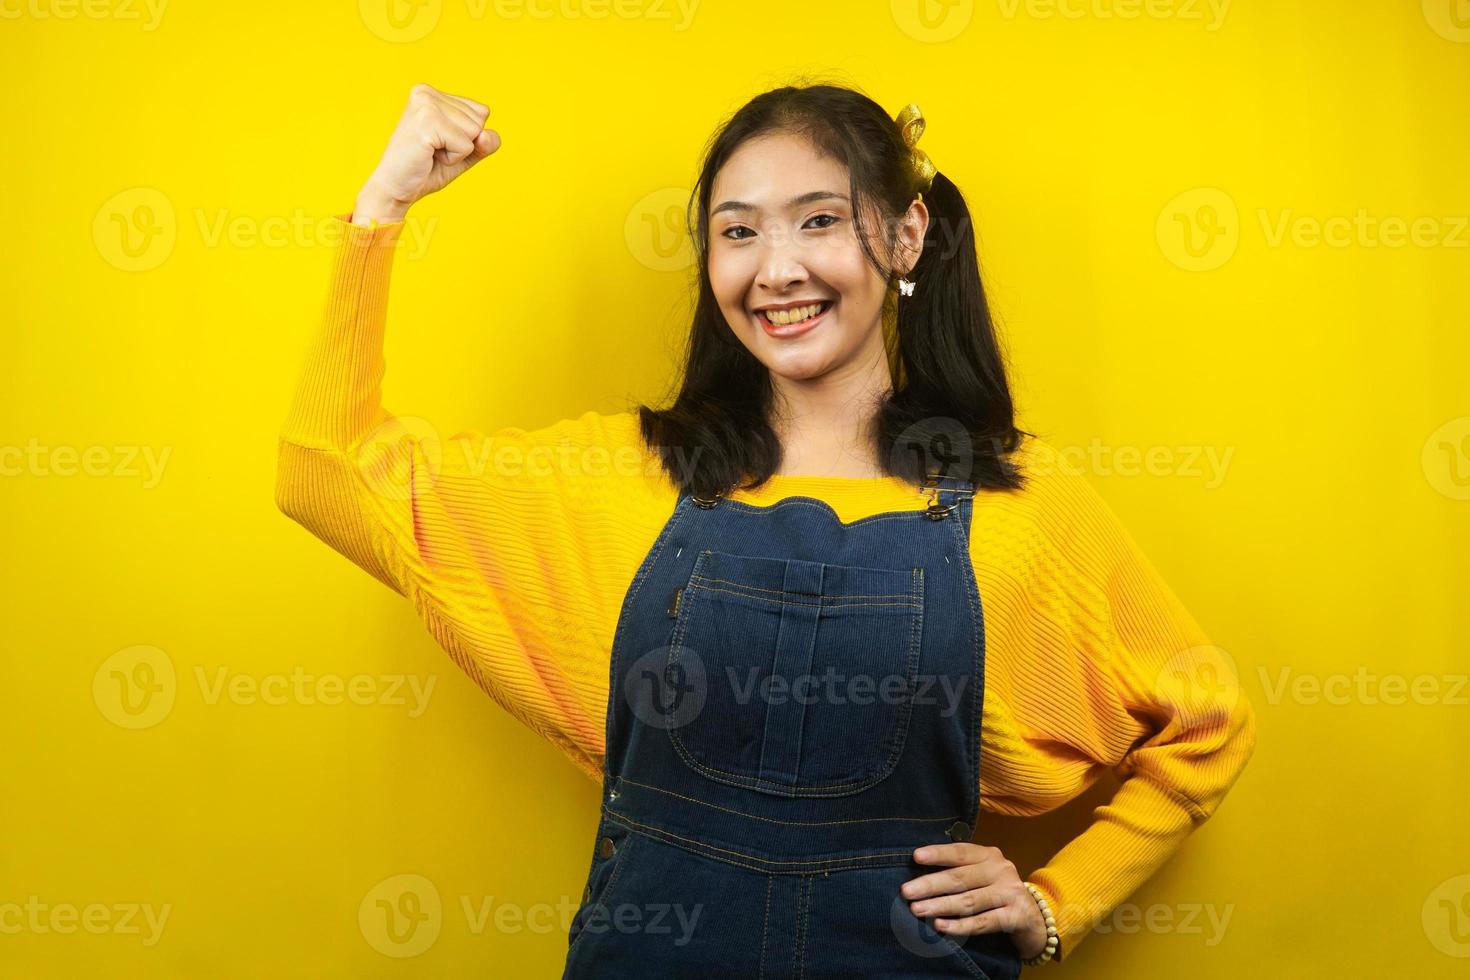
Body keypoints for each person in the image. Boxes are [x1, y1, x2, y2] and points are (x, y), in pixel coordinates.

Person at [275, 81, 1256, 976]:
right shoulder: (624, 477)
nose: (775, 269)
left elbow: (1206, 719)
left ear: (907, 235)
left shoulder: (1017, 505)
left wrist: (1055, 904)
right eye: (737, 233)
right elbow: (320, 469)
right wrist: (382, 208)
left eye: (818, 221)